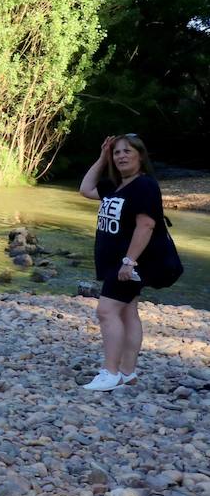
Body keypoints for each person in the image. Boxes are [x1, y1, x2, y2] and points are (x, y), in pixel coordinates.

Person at [79, 134, 163, 391]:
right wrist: (102, 157)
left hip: (128, 263)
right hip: (117, 262)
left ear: (140, 155)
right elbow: (85, 189)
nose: (122, 156)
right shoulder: (117, 186)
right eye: (117, 153)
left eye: (127, 151)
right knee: (127, 313)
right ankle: (127, 372)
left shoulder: (144, 186)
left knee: (106, 311)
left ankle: (111, 372)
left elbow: (147, 225)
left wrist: (129, 262)